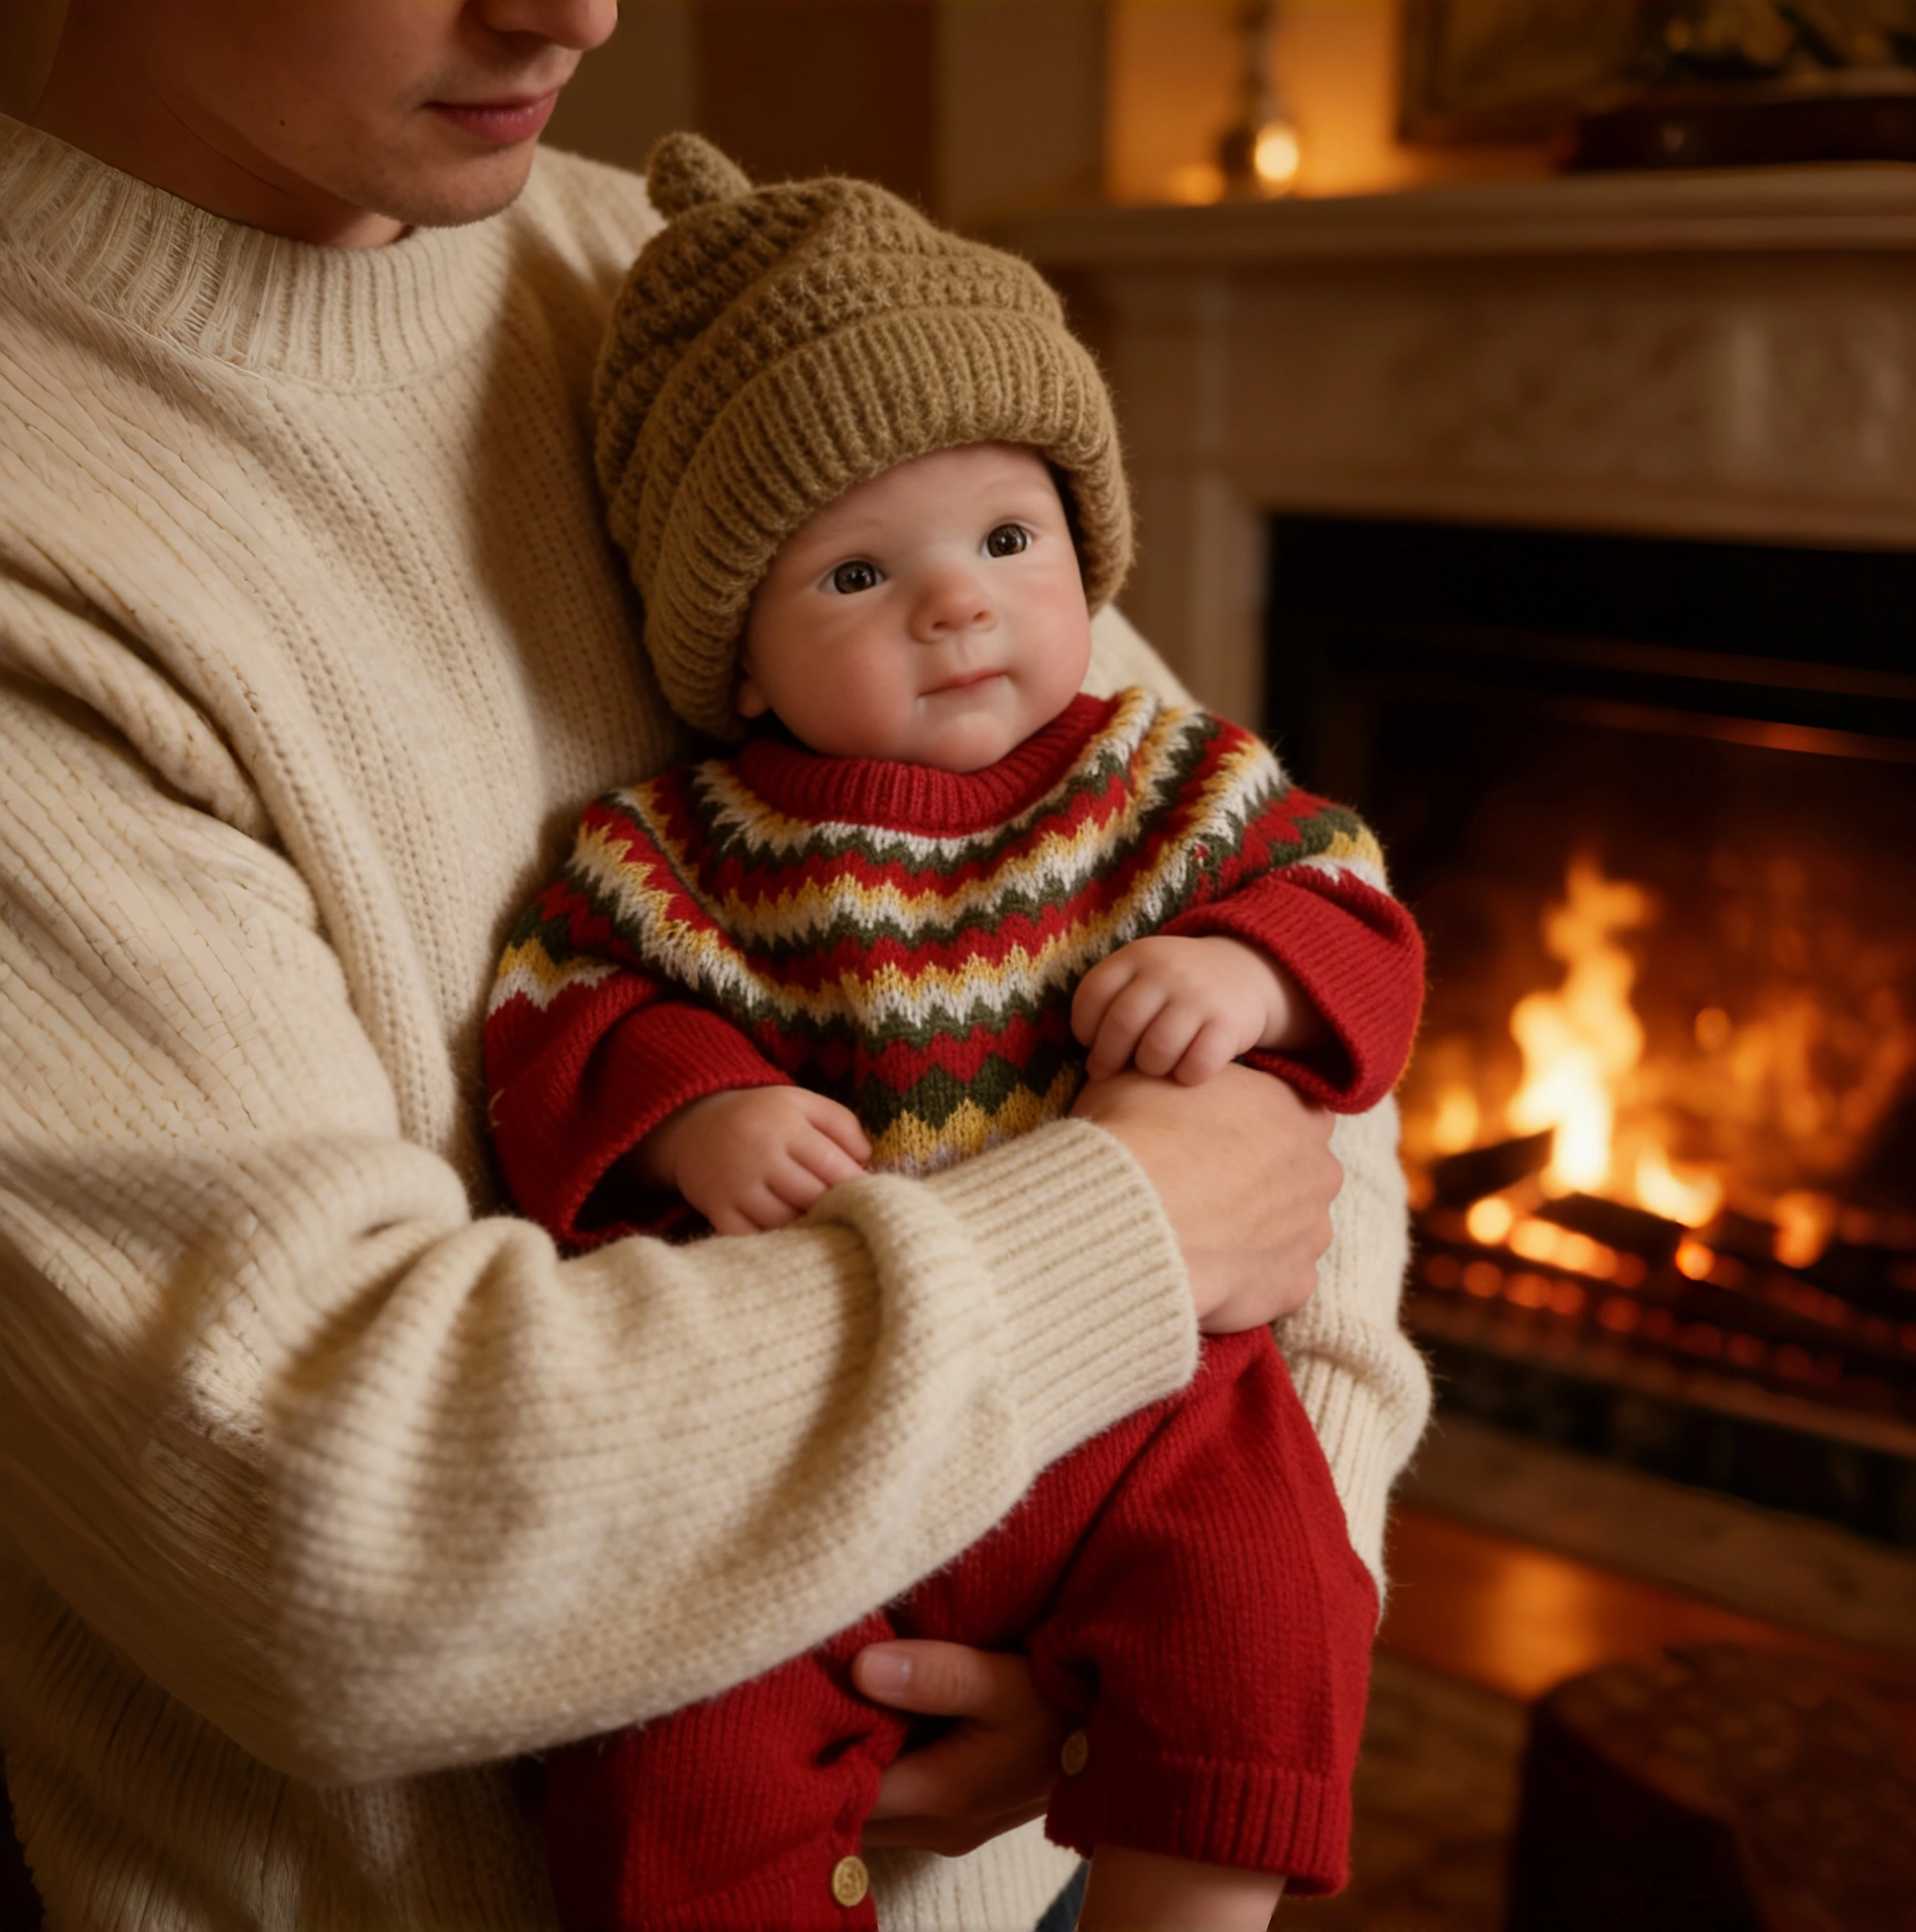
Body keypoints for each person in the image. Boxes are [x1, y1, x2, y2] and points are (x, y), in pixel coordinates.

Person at [0, 3, 1430, 1926]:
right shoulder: (45, 515)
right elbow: (335, 1537)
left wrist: (1197, 1659)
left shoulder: (730, 294)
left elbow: (1256, 955)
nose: (578, 8)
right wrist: (1125, 1250)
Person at [486, 137, 1426, 1932]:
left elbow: (1350, 902)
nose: (961, 601)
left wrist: (1254, 977)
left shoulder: (1165, 777)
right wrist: (696, 1110)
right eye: (858, 575)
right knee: (682, 1724)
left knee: (1263, 1596)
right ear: (741, 655)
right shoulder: (685, 845)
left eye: (1012, 539)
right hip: (820, 1445)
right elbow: (560, 1003)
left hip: (1155, 1399)